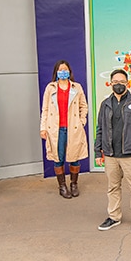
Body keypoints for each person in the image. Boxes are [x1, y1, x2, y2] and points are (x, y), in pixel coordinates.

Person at [94, 69, 131, 233]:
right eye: (115, 82)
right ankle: (114, 217)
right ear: (111, 83)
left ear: (127, 83)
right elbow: (100, 129)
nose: (118, 84)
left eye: (121, 82)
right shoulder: (105, 104)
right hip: (110, 154)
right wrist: (98, 152)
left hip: (130, 154)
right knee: (113, 187)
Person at [40, 60, 89, 198]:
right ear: (56, 72)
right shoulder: (50, 88)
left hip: (73, 128)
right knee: (58, 158)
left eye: (65, 69)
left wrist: (81, 121)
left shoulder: (76, 87)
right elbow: (45, 109)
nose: (63, 72)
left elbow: (83, 106)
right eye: (60, 70)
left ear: (69, 71)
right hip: (55, 129)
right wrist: (43, 128)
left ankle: (74, 184)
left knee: (75, 157)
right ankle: (62, 186)